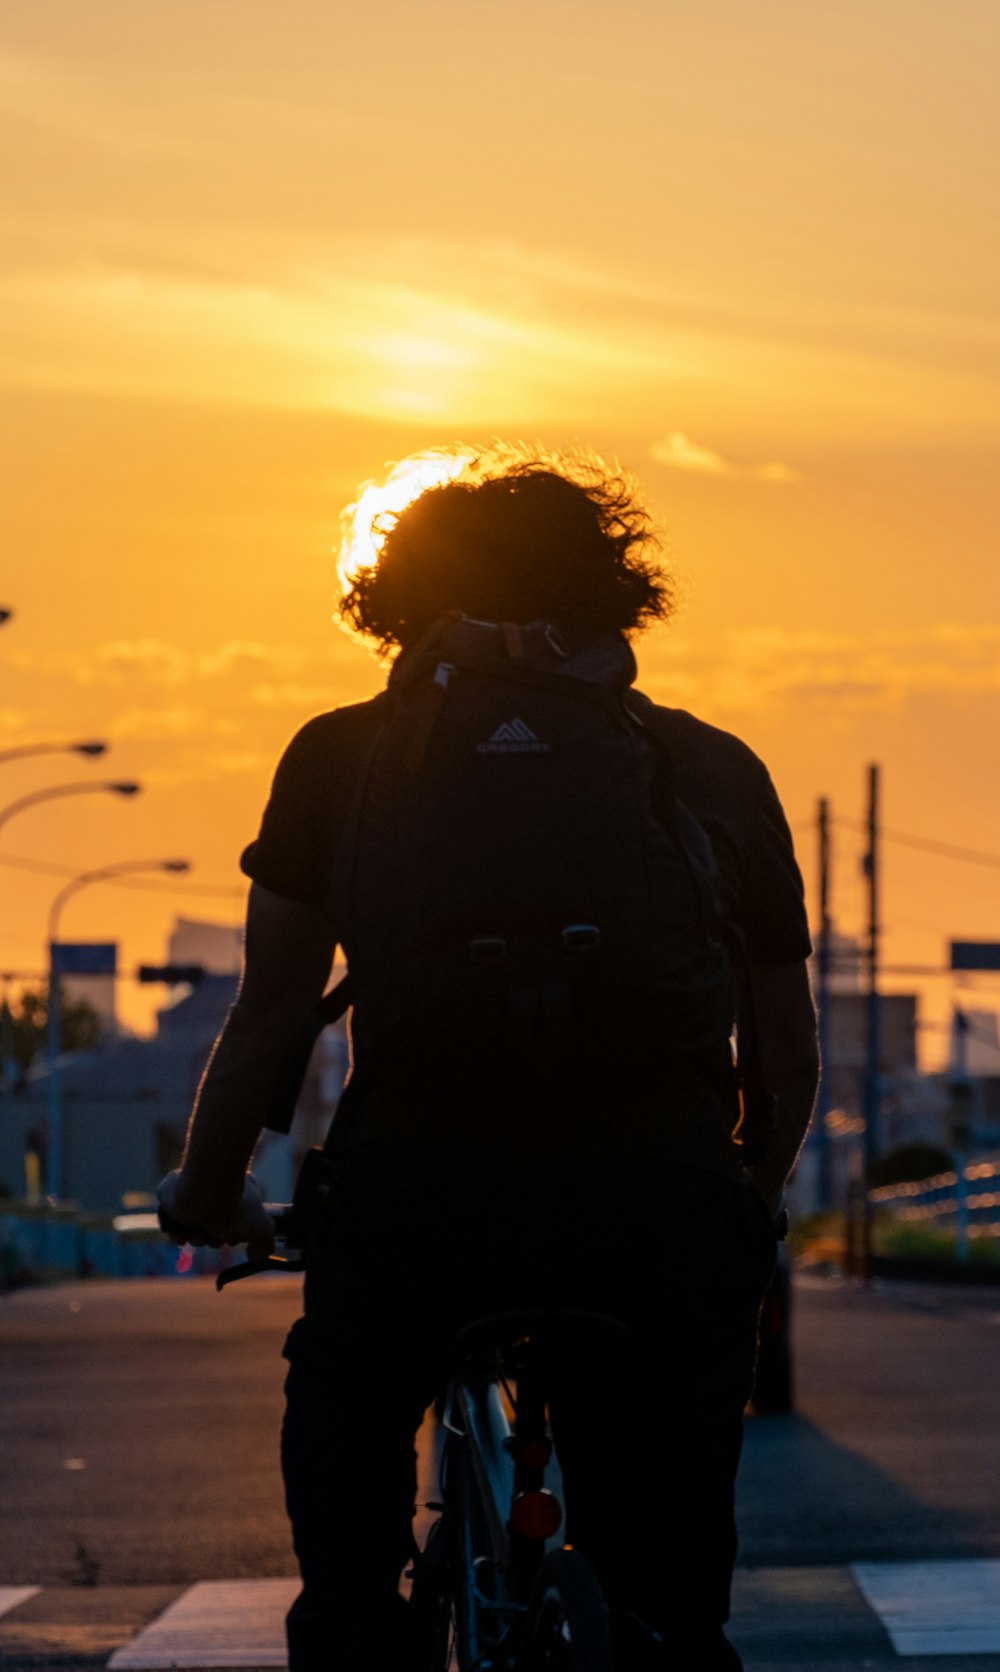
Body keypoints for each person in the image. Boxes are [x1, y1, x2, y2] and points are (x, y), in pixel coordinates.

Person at [158, 447, 818, 1672]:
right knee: (666, 1594)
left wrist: (205, 1197)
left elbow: (271, 1016)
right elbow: (785, 1040)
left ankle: (359, 1633)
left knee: (350, 1407)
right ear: (613, 593)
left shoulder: (341, 756)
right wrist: (745, 1196)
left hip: (418, 1196)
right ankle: (655, 1633)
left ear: (392, 599)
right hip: (658, 1207)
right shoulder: (712, 766)